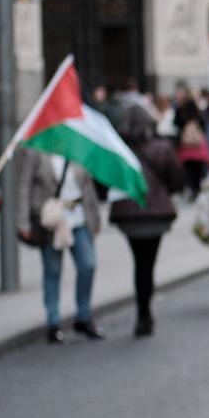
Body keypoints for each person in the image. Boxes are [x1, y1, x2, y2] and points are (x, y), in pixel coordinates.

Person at [108, 110, 183, 337]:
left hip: (129, 215)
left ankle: (143, 313)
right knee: (147, 264)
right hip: (154, 214)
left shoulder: (120, 148)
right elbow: (176, 179)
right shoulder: (161, 147)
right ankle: (144, 313)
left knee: (140, 263)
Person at [23, 143, 106, 345]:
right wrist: (22, 221)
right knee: (52, 270)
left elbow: (88, 187)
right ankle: (53, 322)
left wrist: (95, 218)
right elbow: (23, 186)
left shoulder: (77, 147)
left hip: (78, 218)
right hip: (51, 220)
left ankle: (83, 316)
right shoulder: (37, 150)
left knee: (88, 264)